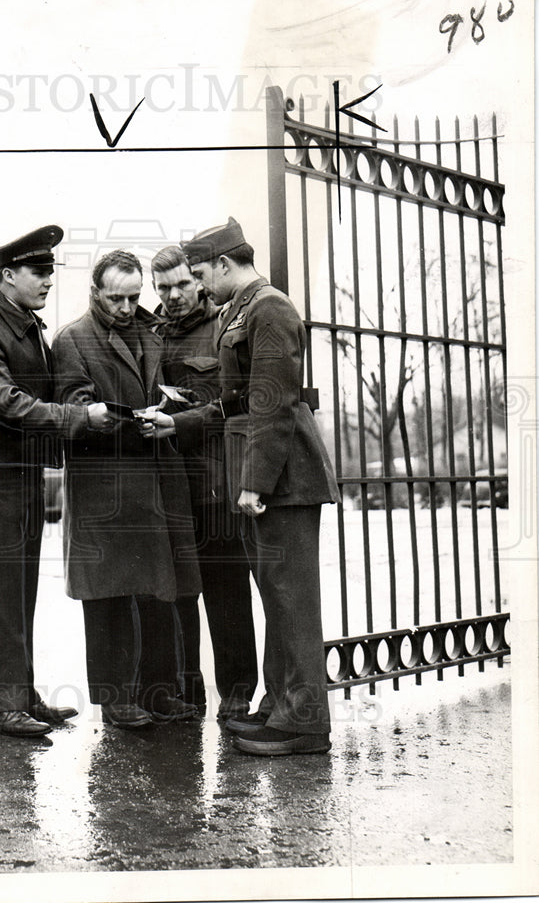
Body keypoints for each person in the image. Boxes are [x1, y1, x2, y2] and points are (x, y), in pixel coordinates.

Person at [140, 218, 339, 756]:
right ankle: (279, 707)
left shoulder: (269, 306)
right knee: (277, 598)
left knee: (293, 602)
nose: (199, 287)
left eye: (201, 274)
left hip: (284, 481)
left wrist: (254, 483)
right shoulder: (242, 309)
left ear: (224, 265)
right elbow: (234, 400)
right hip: (267, 479)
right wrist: (177, 423)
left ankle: (305, 725)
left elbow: (272, 401)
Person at [0, 224, 112, 738]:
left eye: (49, 272)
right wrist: (78, 418)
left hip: (16, 471)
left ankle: (20, 695)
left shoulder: (23, 323)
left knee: (18, 590)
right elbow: (5, 404)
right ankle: (0, 707)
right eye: (37, 272)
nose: (47, 281)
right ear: (6, 276)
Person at [52, 249, 202, 729]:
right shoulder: (72, 340)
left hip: (155, 482)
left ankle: (158, 693)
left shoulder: (148, 330)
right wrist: (134, 421)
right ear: (95, 292)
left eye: (134, 296)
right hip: (107, 488)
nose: (125, 306)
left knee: (159, 591)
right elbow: (75, 408)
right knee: (109, 598)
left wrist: (172, 405)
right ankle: (115, 701)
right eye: (115, 297)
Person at [150, 245, 258, 720]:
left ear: (197, 281)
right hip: (167, 483)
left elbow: (233, 405)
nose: (173, 295)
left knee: (225, 588)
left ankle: (237, 693)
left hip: (214, 478)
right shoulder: (149, 333)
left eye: (181, 284)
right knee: (175, 592)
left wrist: (184, 421)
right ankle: (184, 692)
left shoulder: (224, 326)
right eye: (163, 288)